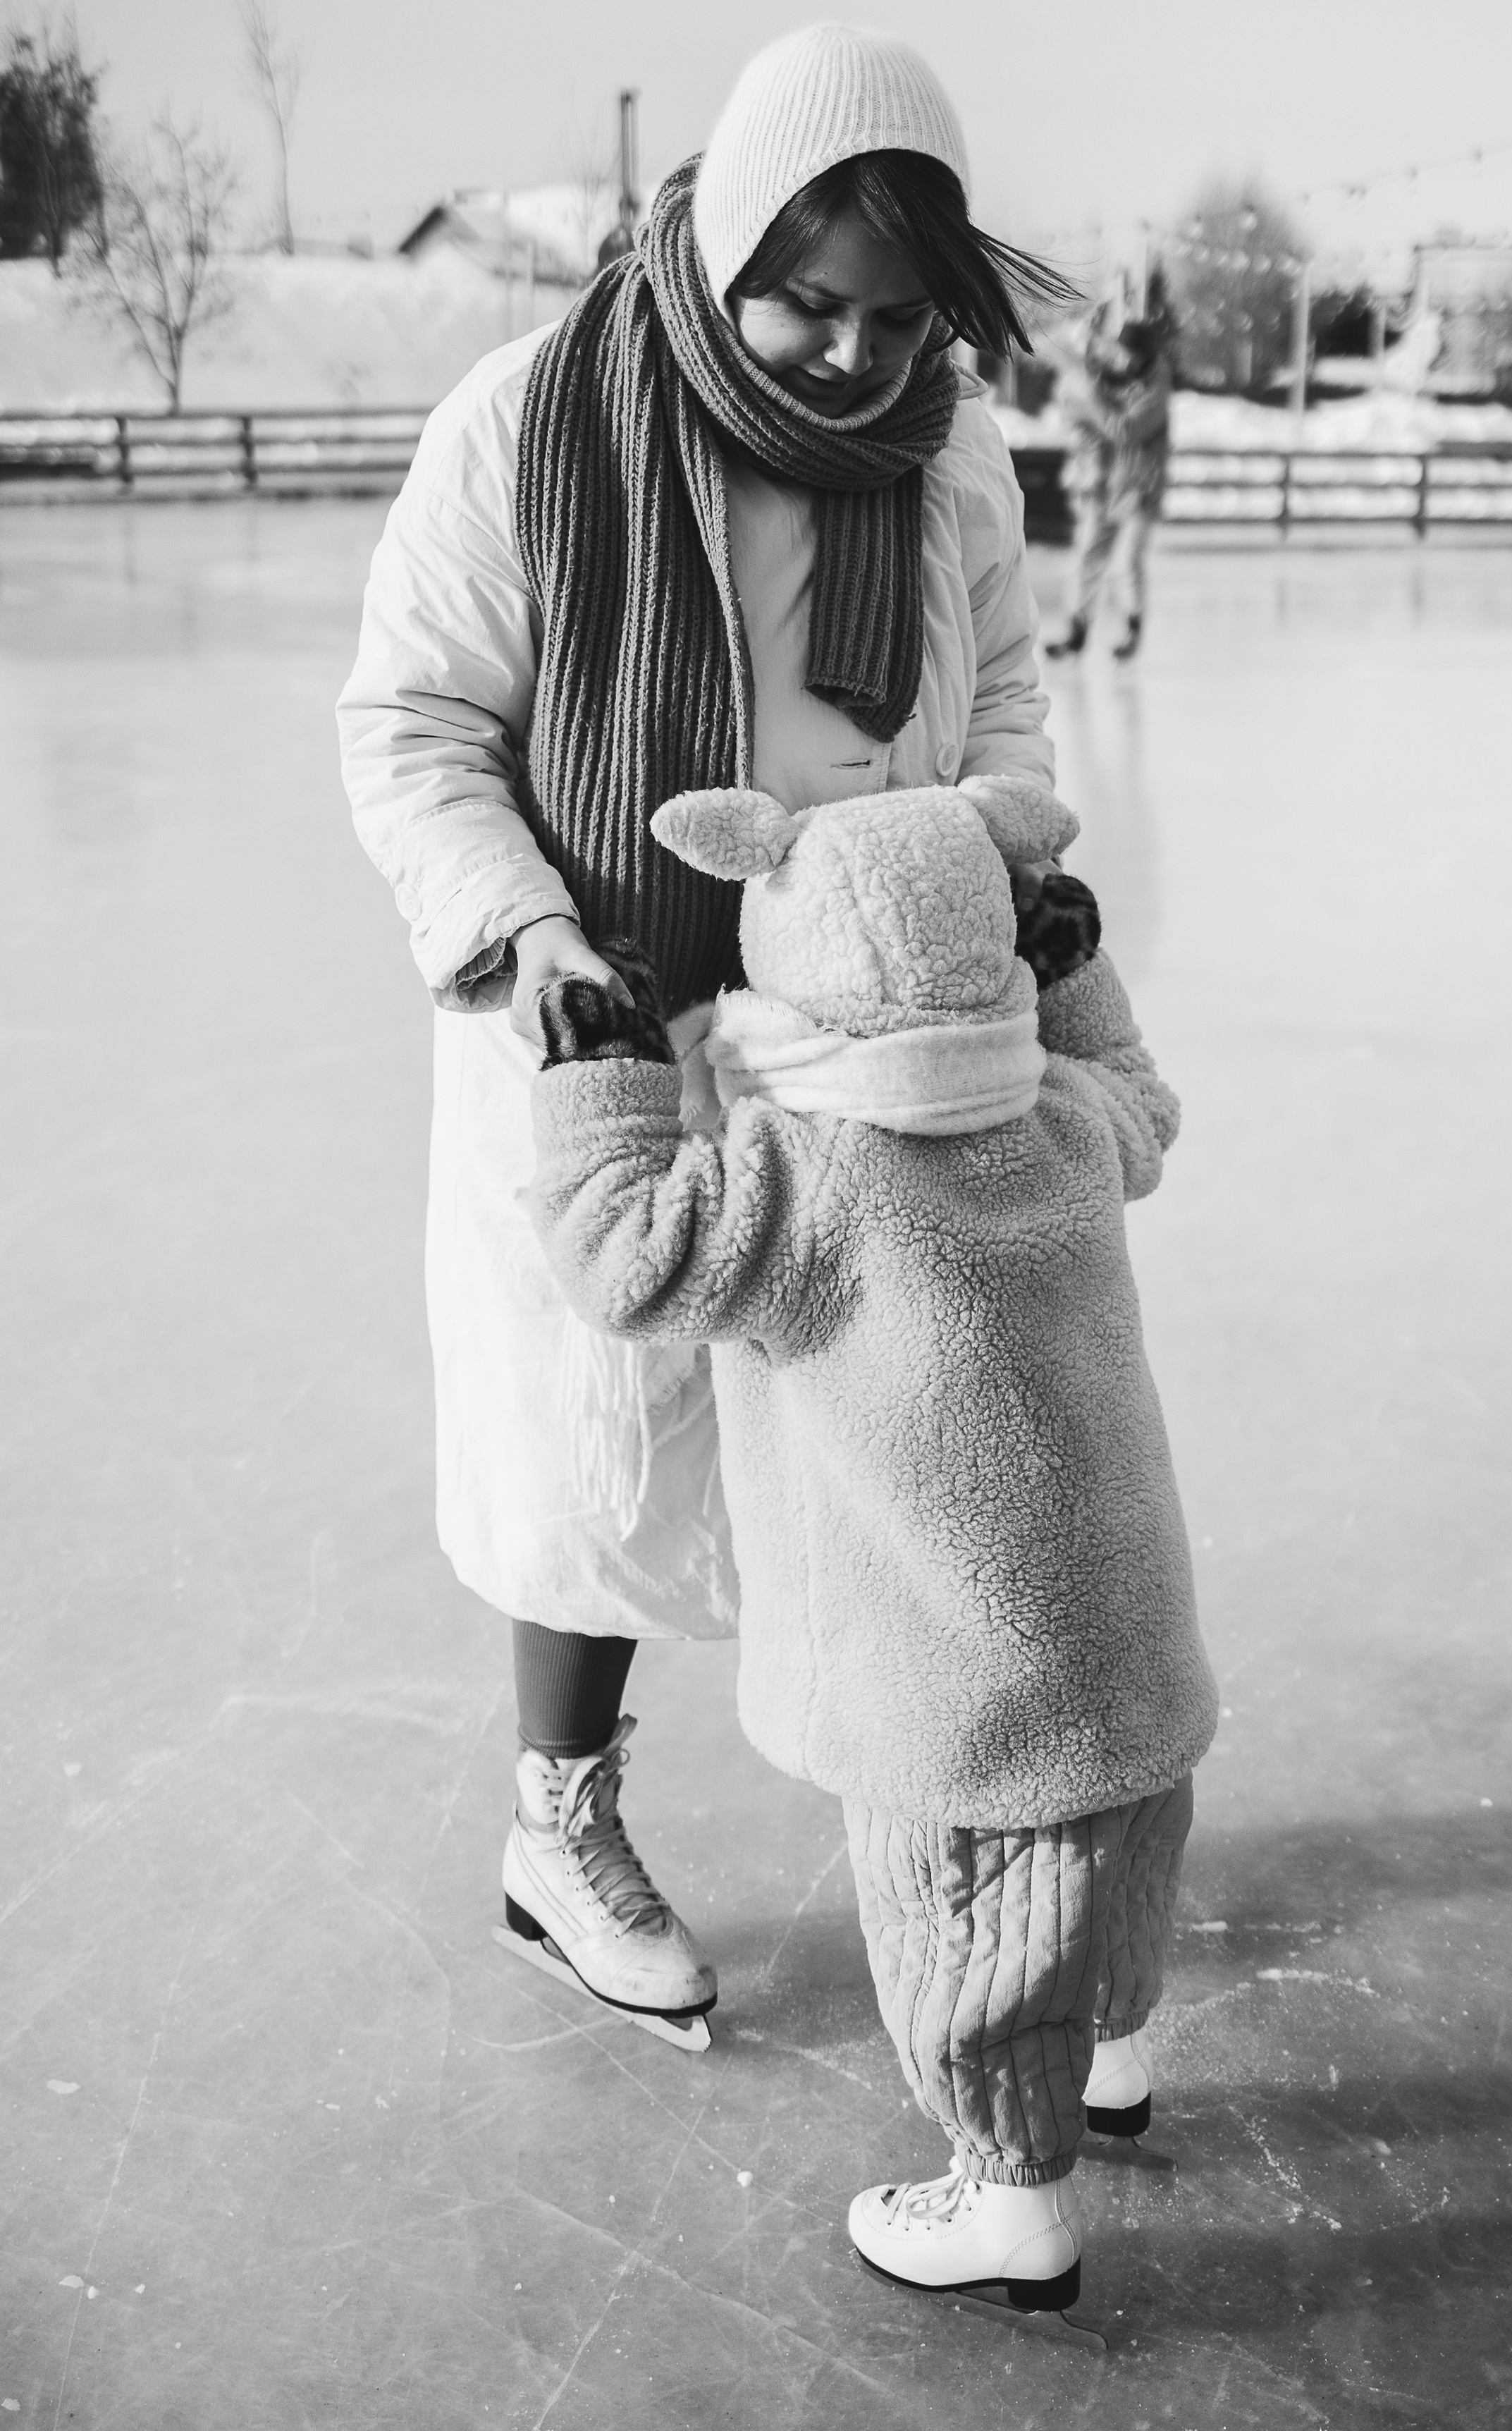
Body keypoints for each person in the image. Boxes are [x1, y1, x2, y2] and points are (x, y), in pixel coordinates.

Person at [337, 25, 1069, 2045]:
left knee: (903, 1458)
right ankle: (556, 1828)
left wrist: (995, 857)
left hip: (864, 1045)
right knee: (600, 1454)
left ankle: (964, 1827)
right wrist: (523, 935)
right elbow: (412, 729)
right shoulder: (527, 424)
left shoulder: (956, 465)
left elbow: (1003, 708)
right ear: (729, 238)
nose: (850, 357)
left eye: (896, 317)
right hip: (606, 1031)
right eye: (808, 302)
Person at [529, 772, 1216, 2316]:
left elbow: (623, 1256)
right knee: (1108, 1871)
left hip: (949, 1690)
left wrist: (605, 1075)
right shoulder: (1056, 1118)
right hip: (1125, 1635)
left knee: (970, 1932)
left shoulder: (808, 1175)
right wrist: (1071, 975)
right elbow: (1145, 1099)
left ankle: (1010, 2205)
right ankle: (1112, 2064)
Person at [1043, 312, 1172, 662]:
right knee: (1088, 555)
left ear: (1143, 355)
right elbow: (1084, 375)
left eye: (1127, 354)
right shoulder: (1123, 377)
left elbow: (1124, 430)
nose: (1122, 359)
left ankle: (1132, 627)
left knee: (1127, 563)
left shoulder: (1156, 388)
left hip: (1141, 488)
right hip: (1109, 484)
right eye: (1120, 353)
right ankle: (1077, 630)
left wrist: (1091, 396)